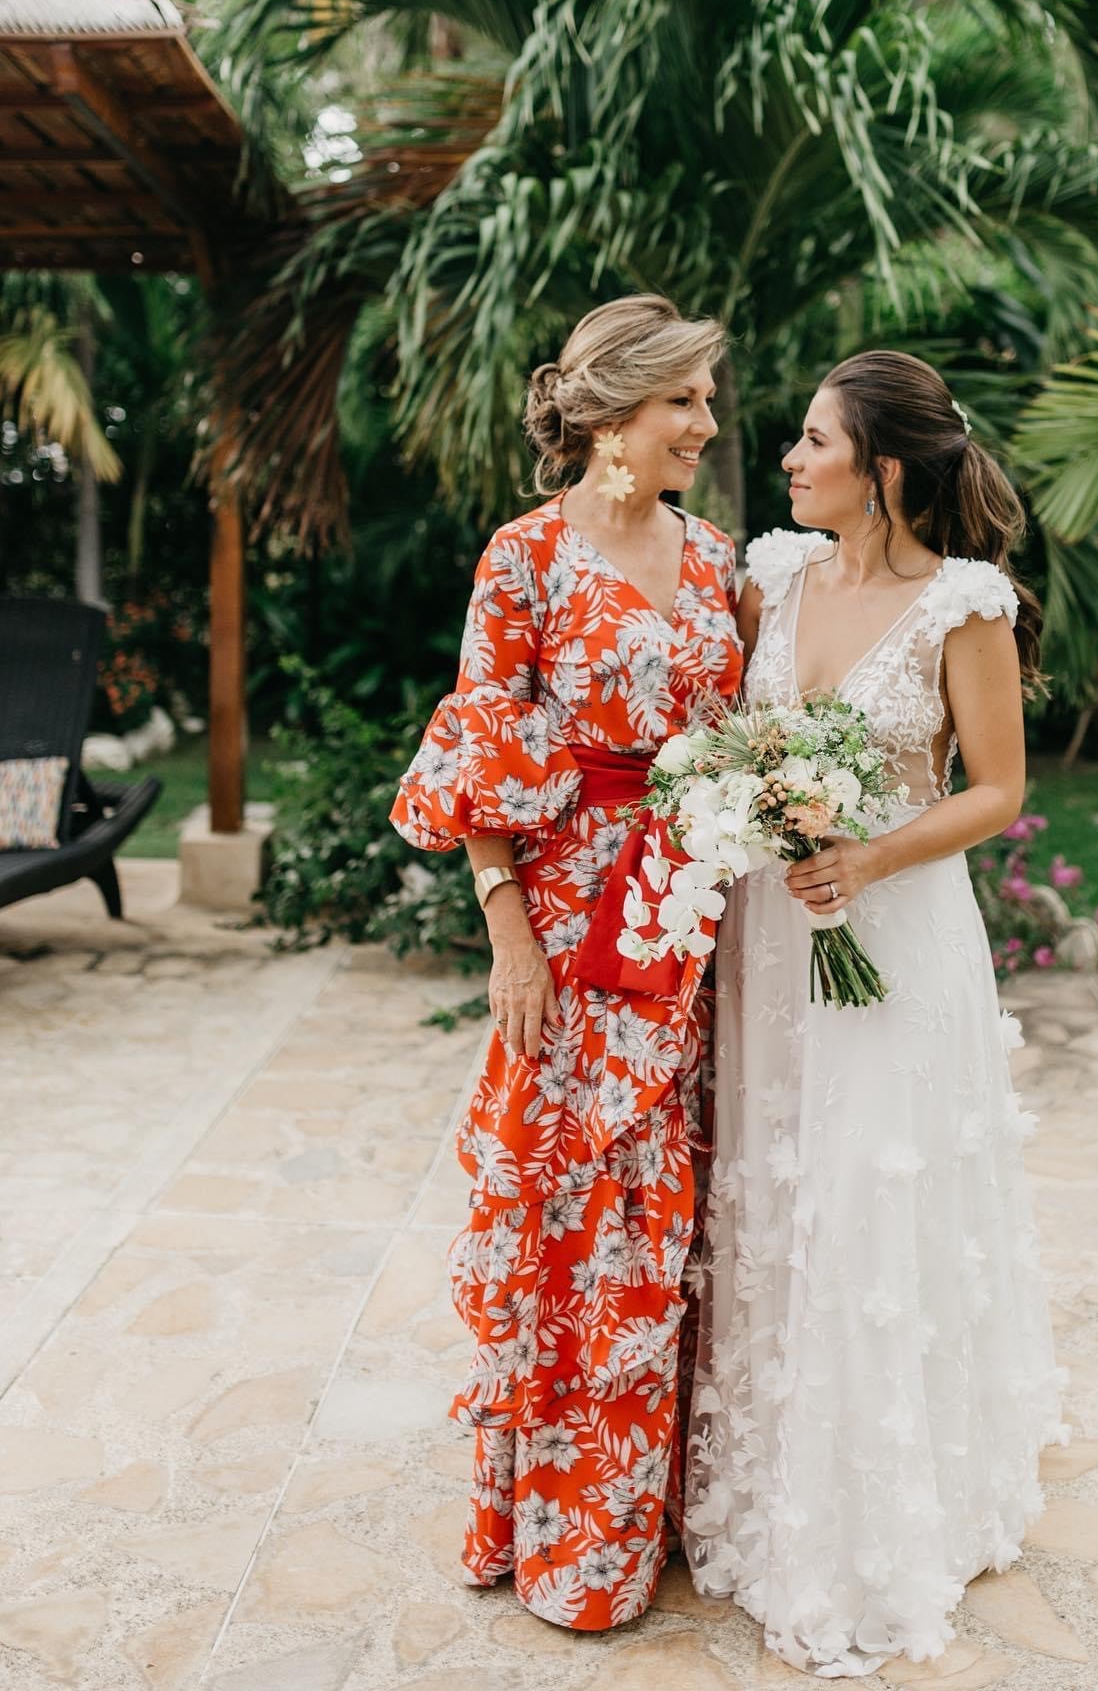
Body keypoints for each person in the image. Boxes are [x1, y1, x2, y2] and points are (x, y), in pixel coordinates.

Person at [684, 350, 1068, 1677]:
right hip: (778, 938)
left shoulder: (964, 606)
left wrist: (869, 854)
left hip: (895, 932)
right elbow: (722, 729)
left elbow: (997, 790)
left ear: (883, 470)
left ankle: (880, 1512)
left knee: (867, 1191)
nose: (788, 461)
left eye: (812, 442)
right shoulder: (771, 577)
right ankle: (776, 1478)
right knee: (781, 1183)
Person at [391, 294, 743, 1630]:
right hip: (564, 928)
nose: (707, 426)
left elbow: (731, 742)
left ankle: (629, 1525)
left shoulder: (712, 559)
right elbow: (483, 759)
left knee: (654, 1219)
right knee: (558, 1222)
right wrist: (510, 940)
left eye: (708, 402)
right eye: (685, 403)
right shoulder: (522, 557)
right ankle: (542, 1527)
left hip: (680, 922)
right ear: (609, 411)